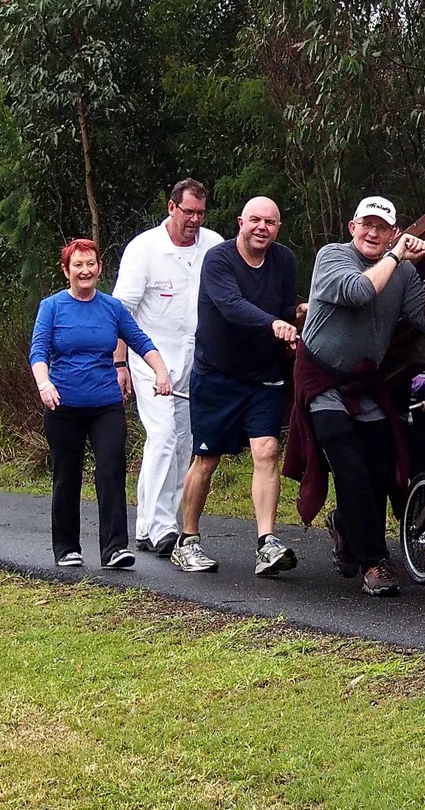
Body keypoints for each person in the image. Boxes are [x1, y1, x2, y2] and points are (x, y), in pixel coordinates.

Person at [283, 196, 425, 597]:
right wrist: (397, 255)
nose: (374, 233)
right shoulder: (332, 258)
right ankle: (375, 563)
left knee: (380, 470)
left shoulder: (404, 272)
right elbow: (360, 292)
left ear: (393, 230)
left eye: (383, 228)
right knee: (349, 464)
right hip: (321, 377)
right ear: (352, 227)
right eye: (367, 225)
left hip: (365, 382)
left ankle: (345, 524)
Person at [170, 196, 301, 577]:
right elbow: (231, 305)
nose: (263, 228)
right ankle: (188, 540)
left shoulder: (285, 260)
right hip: (217, 375)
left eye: (271, 222)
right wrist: (274, 323)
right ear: (241, 222)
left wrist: (297, 314)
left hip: (264, 375)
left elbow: (284, 307)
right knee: (206, 460)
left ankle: (267, 542)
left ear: (278, 227)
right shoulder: (219, 259)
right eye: (256, 220)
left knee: (267, 450)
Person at [30, 239, 173, 570]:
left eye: (90, 264)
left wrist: (161, 372)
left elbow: (140, 341)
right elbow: (38, 351)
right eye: (78, 265)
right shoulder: (51, 307)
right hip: (63, 404)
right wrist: (44, 383)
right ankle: (66, 547)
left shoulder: (112, 308)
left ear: (99, 267)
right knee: (67, 475)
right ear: (66, 270)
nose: (85, 271)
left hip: (105, 404)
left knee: (110, 468)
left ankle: (114, 548)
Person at [112, 178, 224, 556]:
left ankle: (153, 524)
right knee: (162, 438)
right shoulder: (144, 249)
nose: (193, 219)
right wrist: (118, 363)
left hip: (196, 362)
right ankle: (159, 527)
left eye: (200, 213)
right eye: (187, 211)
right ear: (171, 207)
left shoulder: (213, 244)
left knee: (185, 444)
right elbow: (121, 312)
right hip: (149, 358)